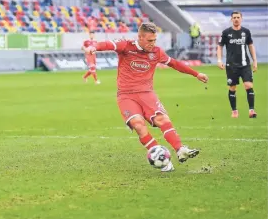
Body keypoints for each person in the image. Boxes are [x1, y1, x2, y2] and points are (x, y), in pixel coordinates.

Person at [86, 22, 208, 172]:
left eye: (154, 40)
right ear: (140, 37)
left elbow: (174, 64)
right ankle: (161, 157)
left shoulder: (156, 52)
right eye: (150, 40)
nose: (153, 43)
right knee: (138, 125)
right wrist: (94, 47)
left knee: (162, 119)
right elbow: (108, 44)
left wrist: (196, 74)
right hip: (126, 95)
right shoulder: (126, 46)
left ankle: (180, 149)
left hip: (147, 94)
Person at [217, 11, 257, 118]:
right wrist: (219, 60)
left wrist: (255, 61)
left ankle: (251, 110)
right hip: (231, 66)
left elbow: (251, 46)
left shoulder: (246, 32)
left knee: (248, 85)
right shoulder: (226, 33)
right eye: (234, 17)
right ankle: (234, 111)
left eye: (238, 17)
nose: (236, 19)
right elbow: (220, 46)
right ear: (231, 19)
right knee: (232, 88)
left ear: (241, 18)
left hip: (245, 64)